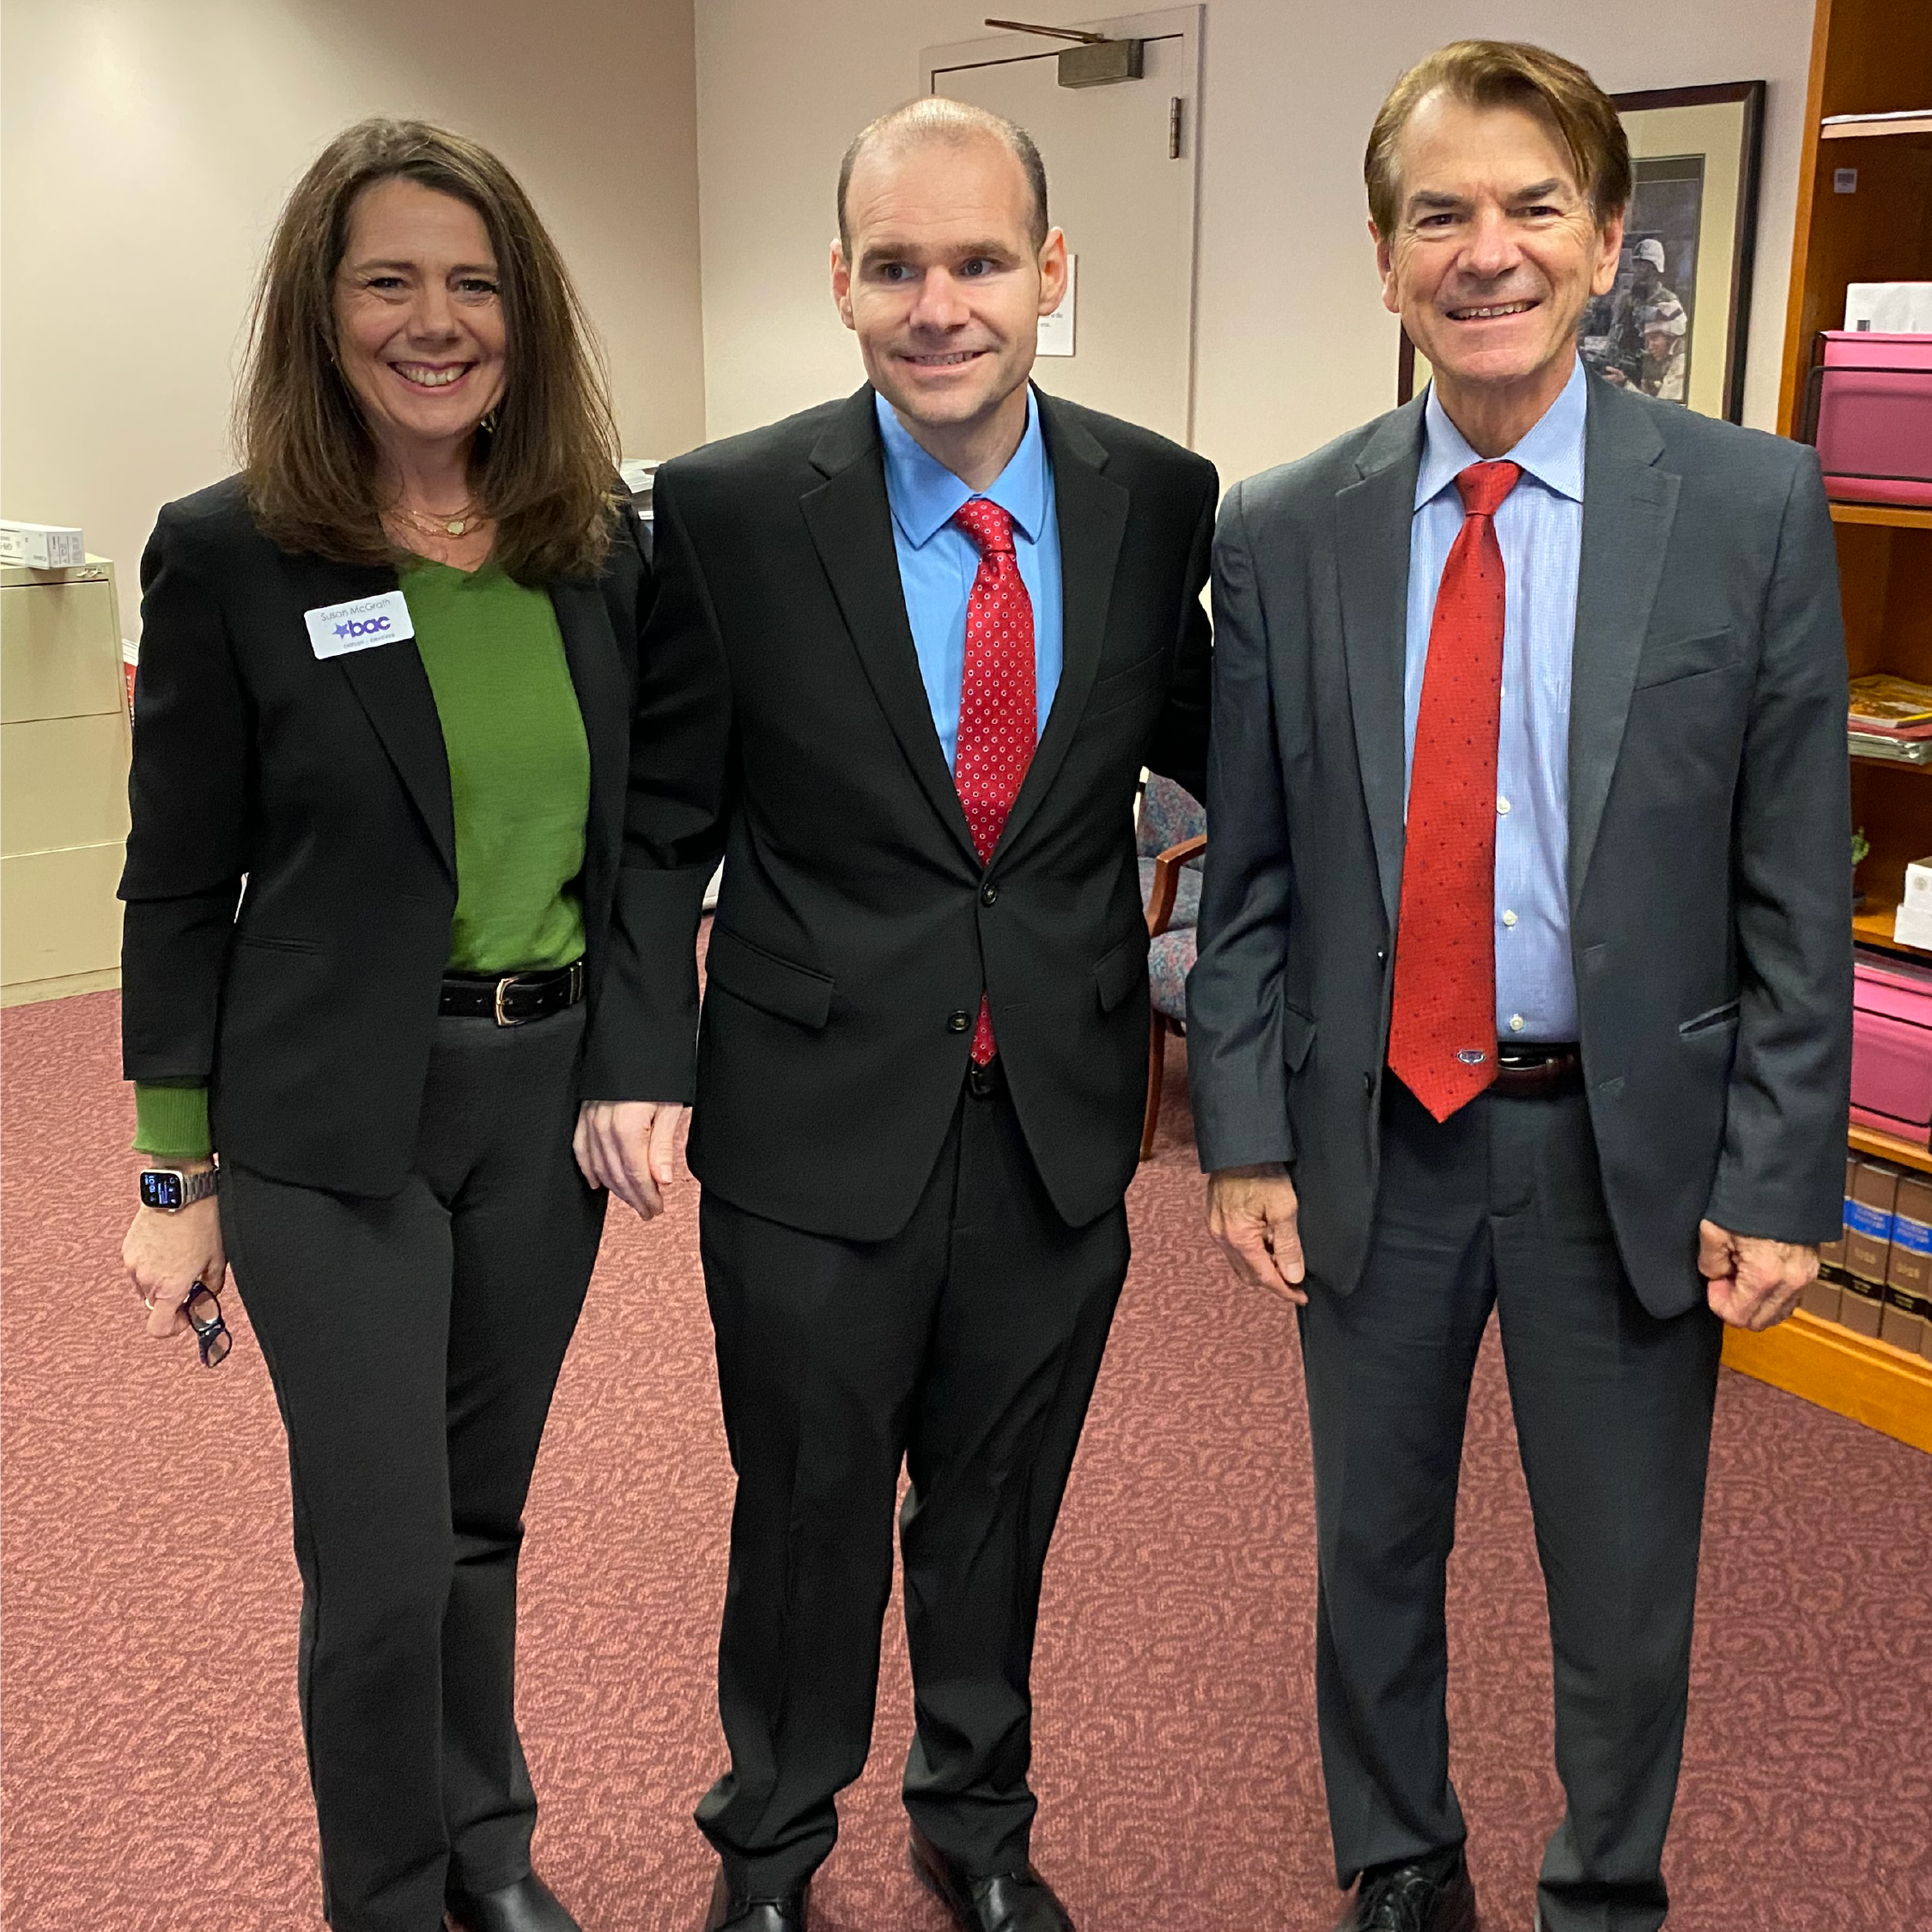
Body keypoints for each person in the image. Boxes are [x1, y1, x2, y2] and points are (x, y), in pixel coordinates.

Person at [1187, 39, 1848, 1932]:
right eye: (1440, 215)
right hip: (1373, 1135)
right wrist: (1240, 1138)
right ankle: (1398, 1859)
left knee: (1625, 1582)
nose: (1488, 252)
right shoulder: (1288, 526)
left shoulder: (1746, 508)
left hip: (1619, 1148)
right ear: (1386, 261)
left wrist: (1782, 1172)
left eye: (1532, 206)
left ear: (1606, 235)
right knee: (1370, 1550)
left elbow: (1795, 887)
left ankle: (1604, 1888)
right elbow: (1249, 883)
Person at [574, 96, 1214, 1932]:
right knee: (808, 1507)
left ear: (1052, 275)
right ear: (840, 283)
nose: (942, 304)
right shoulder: (721, 514)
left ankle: (976, 1820)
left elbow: (1209, 746)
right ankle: (769, 1844)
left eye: (982, 262)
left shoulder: (1154, 495)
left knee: (999, 1503)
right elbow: (658, 825)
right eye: (899, 266)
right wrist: (637, 1054)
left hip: (1060, 1107)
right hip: (808, 1110)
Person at [118, 118, 666, 1932]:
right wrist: (170, 1163)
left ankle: (489, 1855)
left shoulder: (595, 548)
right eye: (388, 281)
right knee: (375, 1557)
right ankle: (391, 1898)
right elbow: (177, 882)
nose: (436, 320)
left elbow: (643, 843)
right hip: (329, 1117)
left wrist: (636, 1061)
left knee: (481, 1525)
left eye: (474, 283)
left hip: (540, 1105)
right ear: (319, 310)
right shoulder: (232, 554)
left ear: (525, 314)